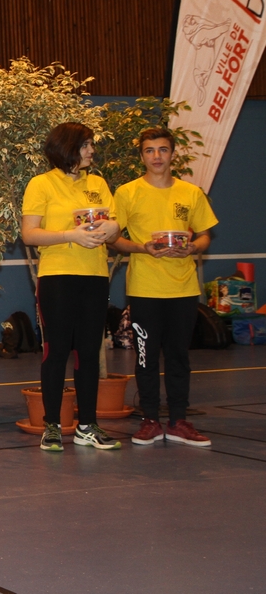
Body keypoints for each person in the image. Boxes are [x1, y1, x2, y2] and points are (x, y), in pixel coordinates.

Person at [110, 128, 217, 447]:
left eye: (162, 150)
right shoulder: (128, 193)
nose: (156, 156)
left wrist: (193, 248)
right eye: (149, 151)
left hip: (183, 290)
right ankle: (150, 421)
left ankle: (179, 421)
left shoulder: (191, 192)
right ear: (141, 156)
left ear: (173, 153)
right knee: (145, 357)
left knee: (178, 356)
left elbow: (205, 235)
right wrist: (143, 248)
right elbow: (114, 239)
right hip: (145, 289)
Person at [20, 122, 122, 453]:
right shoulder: (41, 184)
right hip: (58, 277)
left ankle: (87, 427)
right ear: (69, 147)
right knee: (57, 351)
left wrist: (111, 228)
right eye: (86, 144)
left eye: (92, 144)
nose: (92, 150)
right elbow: (29, 234)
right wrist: (70, 235)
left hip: (94, 276)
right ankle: (52, 425)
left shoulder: (99, 183)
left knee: (90, 352)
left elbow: (115, 229)